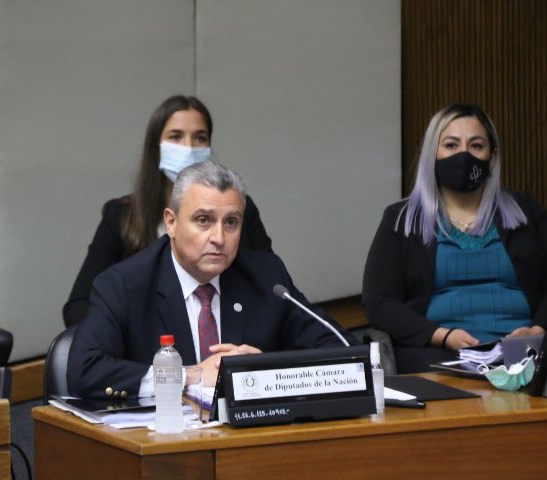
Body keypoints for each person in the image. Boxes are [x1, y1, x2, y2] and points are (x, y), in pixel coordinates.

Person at [67, 161, 356, 399]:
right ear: (171, 223)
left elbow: (345, 350)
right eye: (204, 220)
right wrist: (191, 375)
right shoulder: (125, 284)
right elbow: (85, 369)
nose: (219, 238)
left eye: (231, 222)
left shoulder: (266, 277)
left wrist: (266, 370)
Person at [362, 103, 547, 373]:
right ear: (433, 154)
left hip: (523, 352)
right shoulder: (401, 219)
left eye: (476, 146)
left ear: (492, 156)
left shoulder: (525, 212)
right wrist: (441, 335)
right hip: (438, 354)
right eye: (451, 145)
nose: (464, 155)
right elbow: (379, 301)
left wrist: (537, 330)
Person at [63, 95, 273, 327]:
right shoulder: (122, 215)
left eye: (200, 137)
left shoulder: (239, 209)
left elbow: (269, 287)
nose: (189, 147)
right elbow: (78, 307)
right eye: (176, 137)